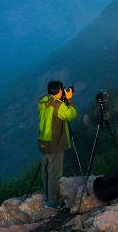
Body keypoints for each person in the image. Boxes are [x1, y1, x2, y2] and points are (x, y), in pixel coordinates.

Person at [38, 80, 78, 208]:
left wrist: (62, 99)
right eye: (63, 90)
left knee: (46, 172)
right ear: (59, 91)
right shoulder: (58, 106)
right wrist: (69, 100)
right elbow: (71, 115)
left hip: (43, 143)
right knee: (54, 174)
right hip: (54, 144)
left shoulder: (43, 102)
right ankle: (52, 203)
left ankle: (47, 197)